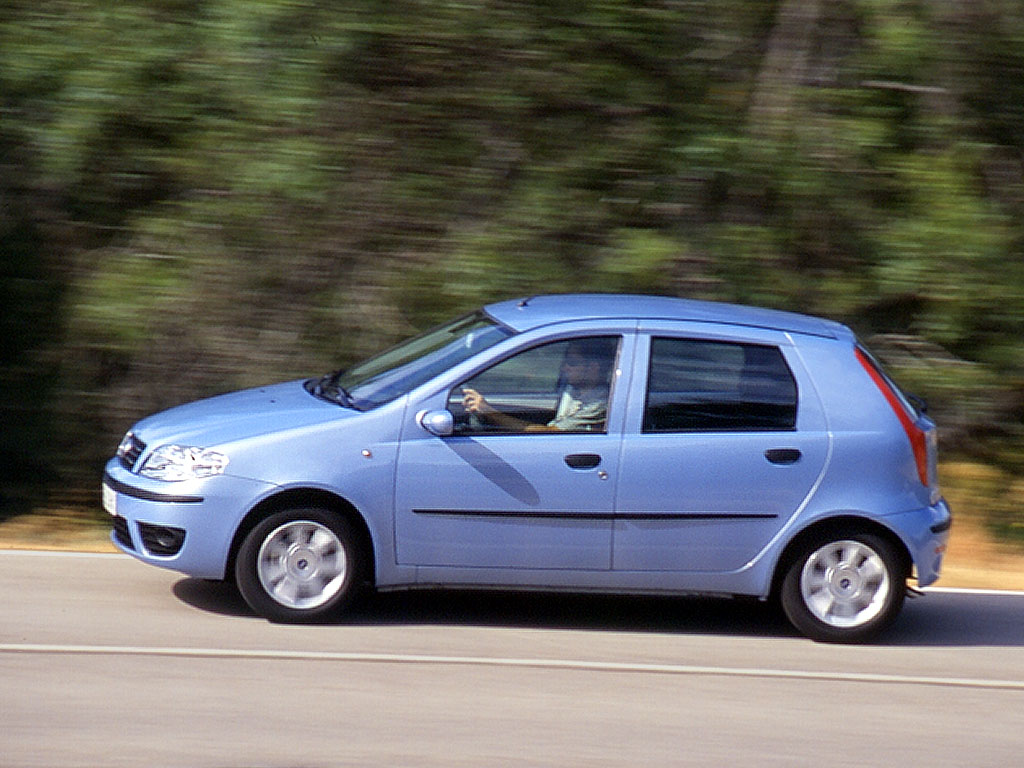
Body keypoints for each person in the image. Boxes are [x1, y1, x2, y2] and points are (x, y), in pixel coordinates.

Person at [461, 337, 617, 432]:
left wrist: (490, 412)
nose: (564, 368)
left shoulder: (599, 404)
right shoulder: (573, 390)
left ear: (593, 368)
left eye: (572, 363)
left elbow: (552, 433)